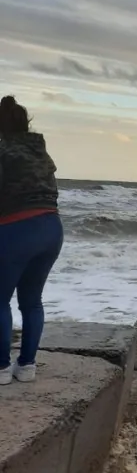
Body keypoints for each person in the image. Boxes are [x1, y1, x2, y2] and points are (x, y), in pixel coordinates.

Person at [0, 96, 63, 385]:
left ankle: (1, 368)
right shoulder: (40, 152)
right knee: (32, 301)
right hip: (51, 227)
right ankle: (27, 366)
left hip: (16, 229)